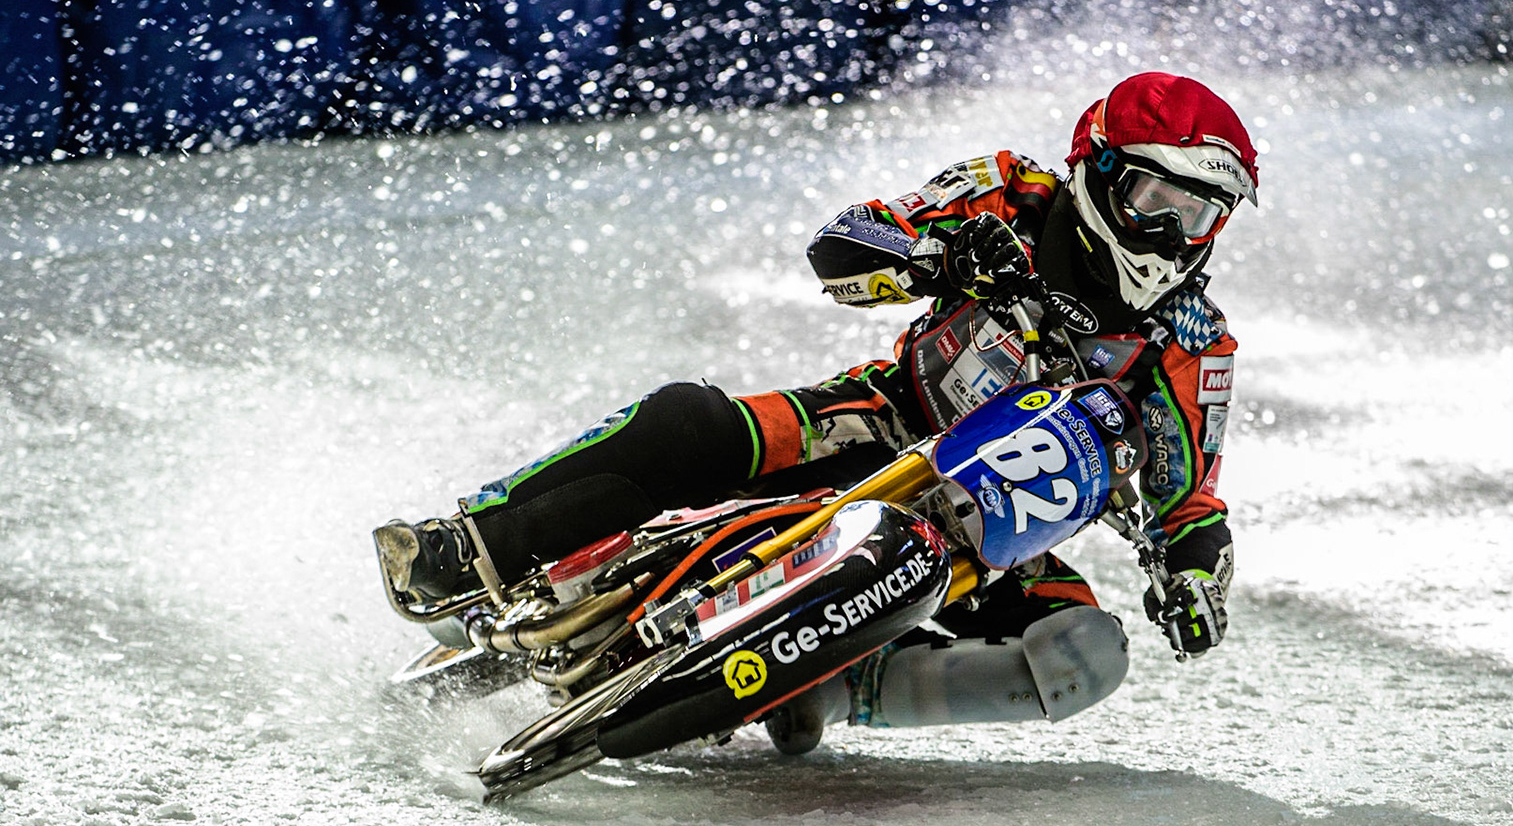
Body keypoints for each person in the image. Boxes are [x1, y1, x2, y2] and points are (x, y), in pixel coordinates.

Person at [375, 71, 1254, 746]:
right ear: (1098, 168)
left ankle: (836, 688)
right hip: (880, 418)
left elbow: (1191, 503)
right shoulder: (1011, 192)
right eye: (1155, 201)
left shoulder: (1194, 345)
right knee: (689, 422)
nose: (1172, 236)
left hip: (991, 535)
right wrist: (941, 259)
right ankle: (469, 545)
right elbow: (843, 244)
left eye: (1199, 214)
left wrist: (1195, 581)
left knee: (1086, 652)